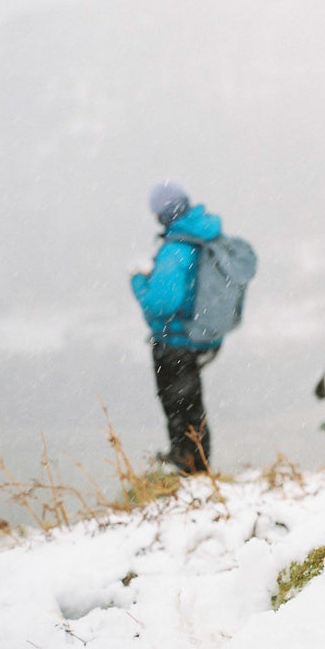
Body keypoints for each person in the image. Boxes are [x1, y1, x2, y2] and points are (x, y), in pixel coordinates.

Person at [131, 180, 222, 474]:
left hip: (174, 341)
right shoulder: (201, 237)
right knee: (192, 406)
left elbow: (161, 304)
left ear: (161, 214)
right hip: (196, 337)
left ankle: (188, 467)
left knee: (178, 407)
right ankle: (196, 465)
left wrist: (138, 280)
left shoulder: (175, 249)